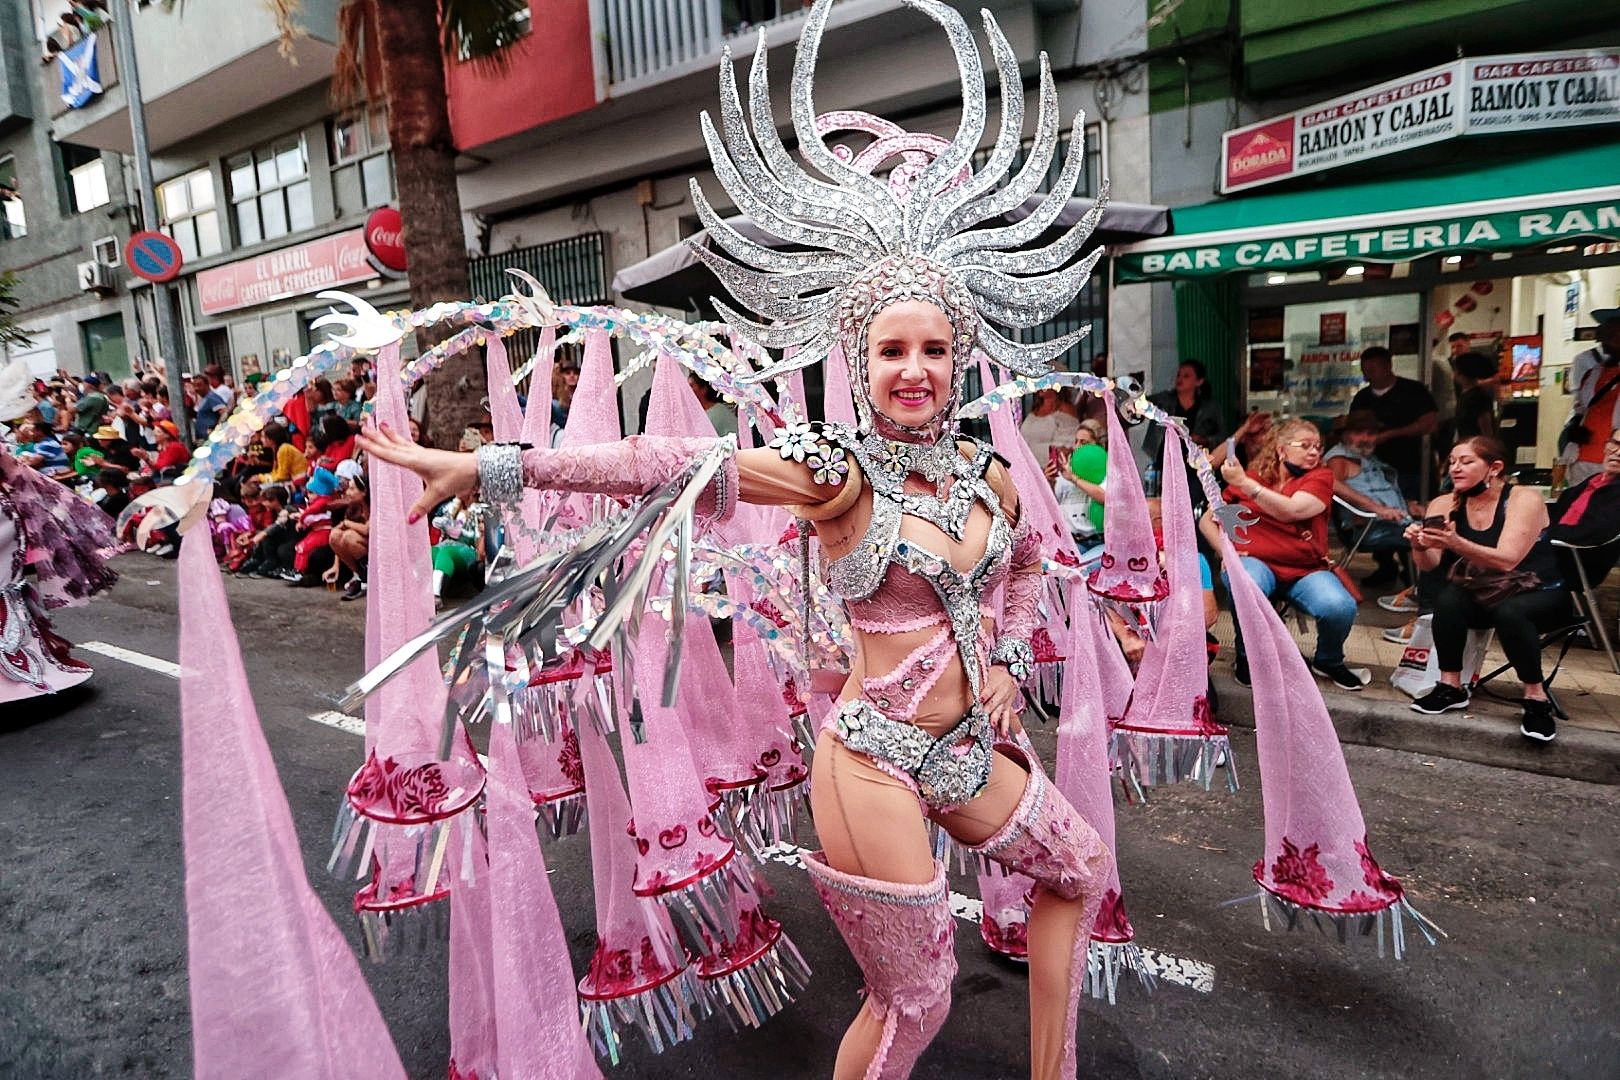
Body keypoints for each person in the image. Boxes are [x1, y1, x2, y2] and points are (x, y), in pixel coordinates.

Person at [358, 14, 1115, 1073]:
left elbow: (1025, 566)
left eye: (935, 348)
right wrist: (497, 467)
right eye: (892, 347)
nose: (915, 368)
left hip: (967, 748)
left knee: (1077, 870)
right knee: (916, 1000)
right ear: (858, 357)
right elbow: (666, 458)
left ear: (961, 357)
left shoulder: (985, 475)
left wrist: (999, 665)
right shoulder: (834, 471)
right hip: (875, 765)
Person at [1405, 436, 1567, 743]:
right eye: (1452, 461)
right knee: (1449, 598)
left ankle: (1536, 697)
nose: (1455, 468)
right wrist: (1418, 544)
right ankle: (1451, 686)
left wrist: (1455, 542)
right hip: (1485, 591)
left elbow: (1507, 560)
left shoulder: (1523, 498)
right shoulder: (1443, 503)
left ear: (1494, 468)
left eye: (1466, 462)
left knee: (1511, 612)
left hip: (1540, 590)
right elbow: (1429, 564)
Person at [1214, 417, 1364, 691]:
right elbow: (1212, 519)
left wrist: (1246, 485)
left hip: (1305, 569)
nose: (1314, 452)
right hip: (1257, 562)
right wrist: (1227, 549)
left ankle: (1328, 659)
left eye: (1318, 446)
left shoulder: (1320, 476)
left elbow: (1292, 510)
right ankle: (1248, 658)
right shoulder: (1256, 477)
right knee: (1244, 581)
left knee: (1339, 606)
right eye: (1305, 446)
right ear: (1282, 450)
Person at [1324, 412, 1416, 589]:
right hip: (1369, 529)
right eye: (1359, 432)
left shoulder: (1366, 457)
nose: (1366, 438)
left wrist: (1408, 505)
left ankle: (1414, 586)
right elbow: (1332, 483)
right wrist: (1377, 508)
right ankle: (1422, 594)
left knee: (1436, 529)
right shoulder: (1339, 459)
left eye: (1371, 433)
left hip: (1391, 522)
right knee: (1425, 536)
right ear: (1345, 434)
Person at [1348, 346, 1437, 501]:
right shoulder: (1362, 398)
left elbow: (1429, 423)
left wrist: (1390, 434)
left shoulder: (1413, 390)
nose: (1367, 375)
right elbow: (1353, 426)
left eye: (1372, 370)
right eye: (1365, 370)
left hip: (1410, 467)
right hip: (1373, 469)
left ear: (1388, 366)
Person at [1560, 308, 1620, 487]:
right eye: (1605, 331)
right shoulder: (1593, 373)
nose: (1603, 338)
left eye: (1613, 332)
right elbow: (1582, 407)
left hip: (1613, 463)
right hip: (1582, 461)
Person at [1142, 359, 1223, 462]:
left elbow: (1222, 437)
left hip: (1196, 465)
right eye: (1179, 375)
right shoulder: (1164, 400)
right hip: (1165, 462)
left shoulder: (1210, 407)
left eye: (1186, 376)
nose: (1180, 379)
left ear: (1199, 381)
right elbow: (1141, 404)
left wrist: (1204, 441)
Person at [1018, 386, 1078, 468]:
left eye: (1045, 380)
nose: (1041, 384)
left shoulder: (1066, 409)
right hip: (1025, 465)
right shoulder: (1036, 407)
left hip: (1049, 471)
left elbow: (1066, 448)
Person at [1450, 351, 1498, 446]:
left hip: (1476, 446)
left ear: (1461, 373)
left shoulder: (1478, 397)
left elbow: (1486, 428)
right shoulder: (1465, 394)